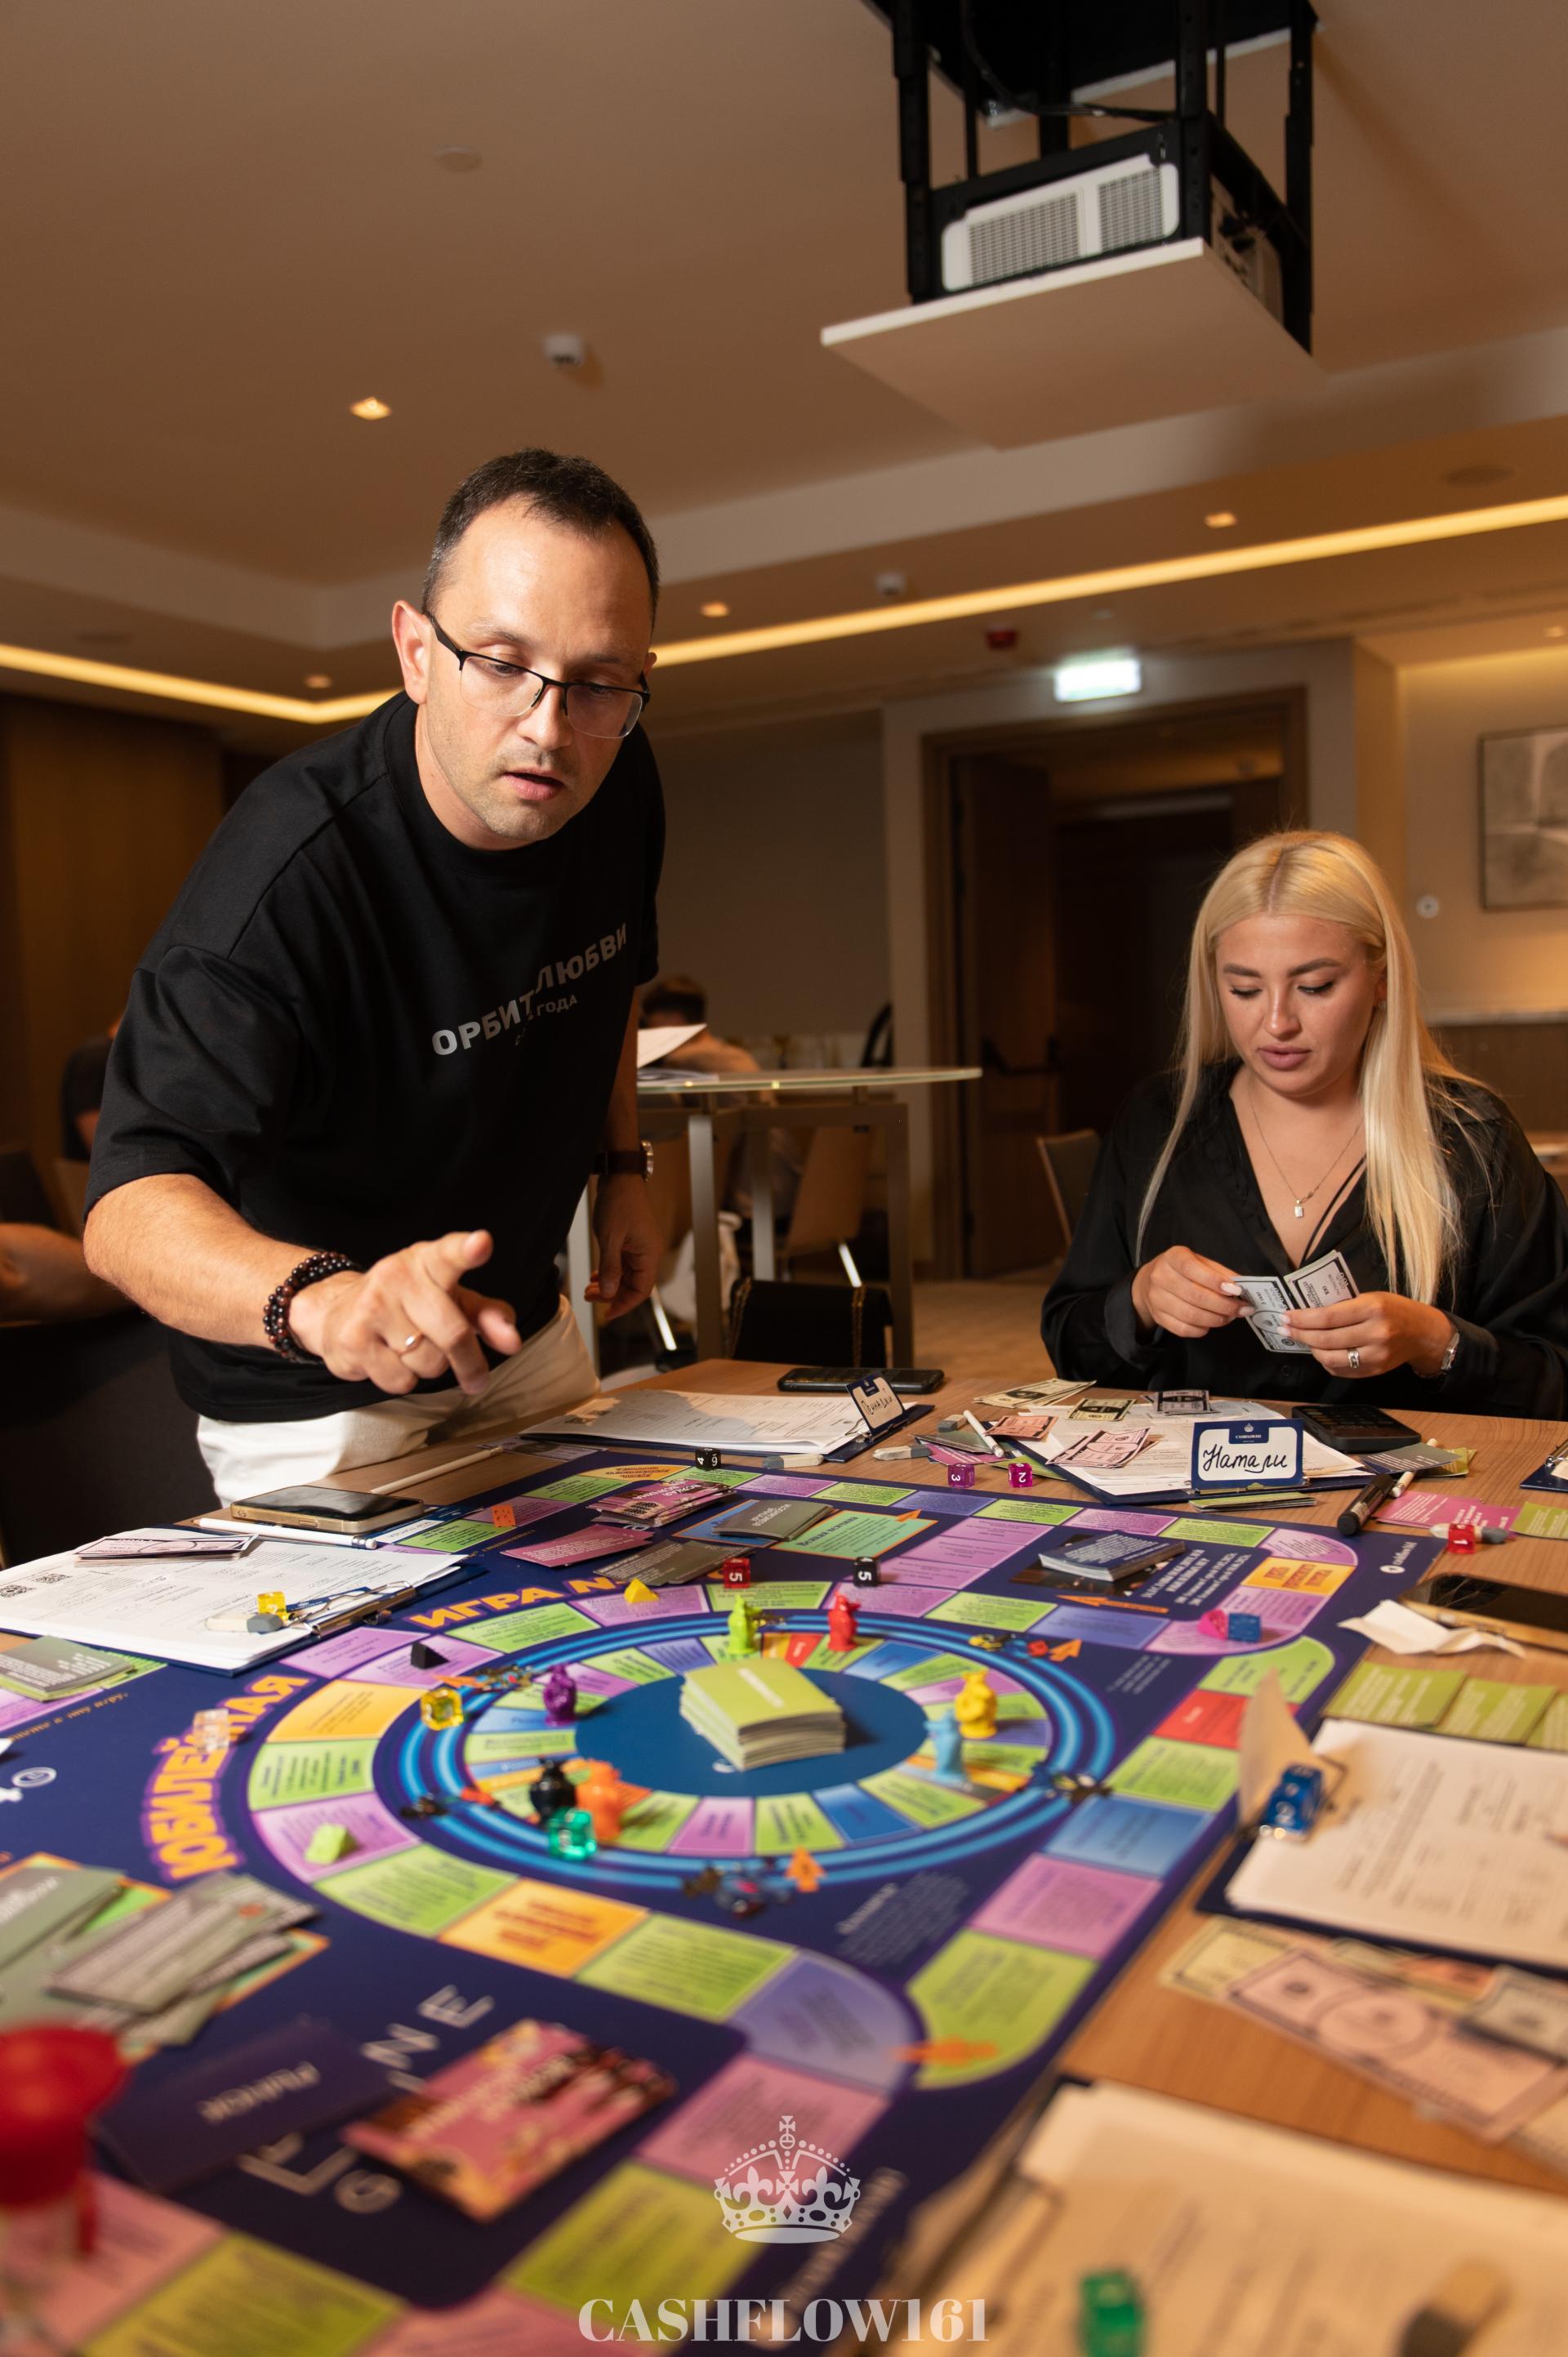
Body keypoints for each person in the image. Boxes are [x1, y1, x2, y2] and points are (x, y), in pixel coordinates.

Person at [84, 448, 666, 1503]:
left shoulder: (615, 777)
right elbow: (128, 1211)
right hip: (319, 1395)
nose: (548, 729)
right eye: (501, 662)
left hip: (523, 1336)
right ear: (416, 651)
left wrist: (623, 1162)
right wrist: (330, 1302)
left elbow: (615, 969)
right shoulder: (285, 880)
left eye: (595, 683)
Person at [1042, 831, 1568, 1415]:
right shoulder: (1158, 1121)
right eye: (1244, 989)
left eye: (1315, 986)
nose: (1277, 1023)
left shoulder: (1473, 1137)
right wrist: (1138, 1301)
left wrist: (1434, 1343)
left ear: (1382, 979)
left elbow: (1554, 1375)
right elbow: (1070, 1346)